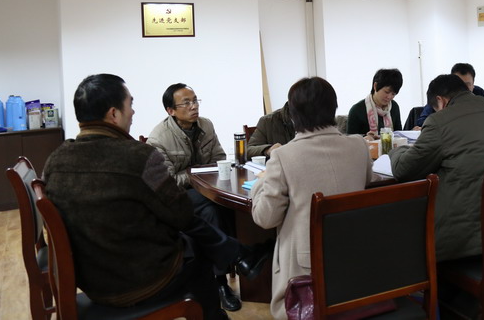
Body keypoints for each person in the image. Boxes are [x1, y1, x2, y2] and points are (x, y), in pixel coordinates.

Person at [42, 74, 241, 320]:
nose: (133, 112)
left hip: (92, 284)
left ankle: (240, 256)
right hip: (142, 282)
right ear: (114, 114)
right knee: (197, 248)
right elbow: (181, 214)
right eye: (130, 105)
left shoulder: (55, 161)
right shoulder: (138, 156)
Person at [251, 77, 373, 320]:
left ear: (293, 114)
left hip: (305, 271)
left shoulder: (283, 156)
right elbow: (367, 181)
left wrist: (260, 183)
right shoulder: (359, 145)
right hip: (354, 256)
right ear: (333, 108)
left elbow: (265, 218)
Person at [147, 83, 265, 311]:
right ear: (171, 110)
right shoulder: (158, 138)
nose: (194, 107)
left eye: (195, 100)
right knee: (212, 209)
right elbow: (168, 182)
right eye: (186, 103)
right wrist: (196, 176)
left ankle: (238, 263)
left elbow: (219, 157)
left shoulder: (206, 125)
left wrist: (204, 176)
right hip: (178, 198)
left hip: (206, 191)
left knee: (226, 206)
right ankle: (224, 278)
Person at [389, 74, 484, 262]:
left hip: (464, 240)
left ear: (440, 101)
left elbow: (404, 170)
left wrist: (396, 150)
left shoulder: (439, 122)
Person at [414, 62, 484, 128]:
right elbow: (422, 121)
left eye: (467, 84)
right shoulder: (441, 94)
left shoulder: (478, 93)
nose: (463, 89)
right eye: (458, 84)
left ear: (473, 84)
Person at [346, 68, 403, 139]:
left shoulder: (394, 107)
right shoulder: (357, 110)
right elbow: (350, 139)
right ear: (375, 86)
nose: (389, 97)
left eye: (393, 94)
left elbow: (399, 134)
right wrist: (365, 138)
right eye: (386, 92)